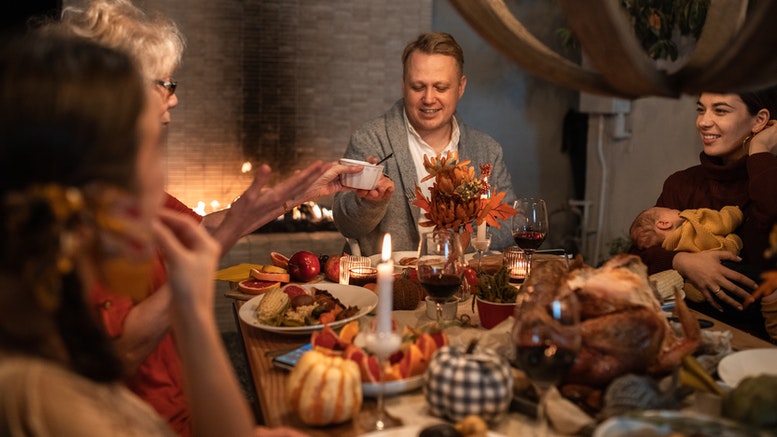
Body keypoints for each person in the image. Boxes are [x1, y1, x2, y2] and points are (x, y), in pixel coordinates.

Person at [39, 1, 356, 434]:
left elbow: (202, 228)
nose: (175, 97)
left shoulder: (123, 177)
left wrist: (301, 194)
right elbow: (122, 351)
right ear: (116, 91)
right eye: (164, 83)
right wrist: (207, 261)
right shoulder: (76, 204)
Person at [0, 32, 304, 437]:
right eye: (151, 147)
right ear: (108, 194)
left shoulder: (46, 336)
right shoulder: (50, 402)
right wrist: (191, 300)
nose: (160, 177)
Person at [332, 32, 517, 256]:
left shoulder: (487, 150)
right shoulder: (370, 138)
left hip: (463, 284)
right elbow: (346, 225)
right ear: (403, 86)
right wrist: (369, 203)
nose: (429, 99)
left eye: (440, 88)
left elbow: (508, 227)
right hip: (387, 285)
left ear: (461, 87)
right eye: (418, 87)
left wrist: (457, 242)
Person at [631, 88, 777, 342]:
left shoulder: (768, 182)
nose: (703, 121)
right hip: (691, 331)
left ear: (759, 120)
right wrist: (683, 262)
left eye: (720, 110)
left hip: (759, 340)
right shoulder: (682, 183)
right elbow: (639, 255)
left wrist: (760, 151)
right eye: (701, 110)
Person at [630, 205, 745, 303]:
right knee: (733, 242)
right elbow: (723, 223)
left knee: (691, 285)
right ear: (664, 223)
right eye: (670, 209)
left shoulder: (669, 249)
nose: (675, 209)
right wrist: (734, 211)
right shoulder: (693, 220)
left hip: (707, 278)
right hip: (725, 252)